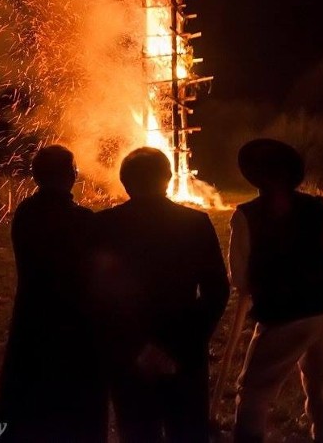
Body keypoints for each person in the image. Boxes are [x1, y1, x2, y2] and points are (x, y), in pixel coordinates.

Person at [93, 147, 229, 443]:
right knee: (187, 431)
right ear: (167, 178)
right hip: (182, 355)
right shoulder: (194, 223)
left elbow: (98, 295)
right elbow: (216, 290)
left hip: (130, 358)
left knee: (138, 431)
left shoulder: (103, 225)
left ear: (125, 181)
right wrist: (181, 346)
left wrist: (135, 347)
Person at [230, 139, 323, 443]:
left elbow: (240, 278)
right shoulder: (318, 207)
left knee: (254, 390)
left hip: (285, 314)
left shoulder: (246, 215)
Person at [0, 145, 107, 442]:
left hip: (31, 320)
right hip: (72, 326)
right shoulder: (81, 220)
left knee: (27, 402)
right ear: (70, 175)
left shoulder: (25, 212)